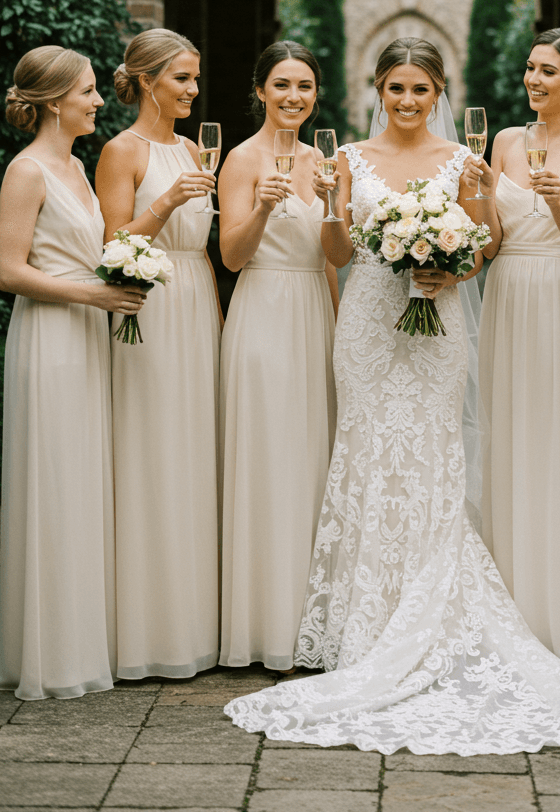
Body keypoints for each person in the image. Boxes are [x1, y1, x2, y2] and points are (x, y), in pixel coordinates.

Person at [223, 36, 560, 754]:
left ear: (439, 93)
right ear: (378, 90)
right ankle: (363, 625)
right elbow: (335, 254)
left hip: (437, 322)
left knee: (430, 455)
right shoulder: (347, 158)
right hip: (365, 323)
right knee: (364, 457)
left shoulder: (465, 161)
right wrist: (334, 208)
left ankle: (434, 617)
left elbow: (486, 246)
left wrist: (448, 262)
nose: (409, 102)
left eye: (421, 90)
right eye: (397, 89)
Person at [0, 46, 144, 699]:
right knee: (53, 483)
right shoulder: (27, 171)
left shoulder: (78, 167)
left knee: (82, 484)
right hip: (51, 338)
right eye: (87, 91)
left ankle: (80, 642)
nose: (98, 101)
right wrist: (95, 296)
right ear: (55, 101)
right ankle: (49, 656)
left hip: (87, 335)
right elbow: (9, 271)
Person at [463, 27, 560, 668]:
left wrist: (557, 204)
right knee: (506, 435)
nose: (533, 80)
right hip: (507, 294)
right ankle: (502, 600)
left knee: (555, 438)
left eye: (548, 71)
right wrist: (476, 198)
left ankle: (556, 607)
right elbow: (489, 243)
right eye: (530, 68)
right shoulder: (504, 141)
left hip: (558, 295)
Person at [95, 28, 221, 681]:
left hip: (199, 301)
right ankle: (145, 631)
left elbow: (204, 246)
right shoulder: (123, 151)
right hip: (151, 301)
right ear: (147, 81)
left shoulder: (197, 148)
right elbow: (113, 241)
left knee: (194, 453)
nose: (193, 90)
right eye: (181, 79)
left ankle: (193, 622)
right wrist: (169, 199)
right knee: (151, 450)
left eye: (195, 79)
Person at [217, 41, 338, 671]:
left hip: (313, 313)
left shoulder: (323, 161)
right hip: (263, 310)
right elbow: (232, 257)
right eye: (283, 85)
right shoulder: (240, 159)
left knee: (310, 459)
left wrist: (335, 203)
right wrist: (264, 203)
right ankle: (261, 626)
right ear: (260, 90)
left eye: (306, 87)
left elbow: (334, 257)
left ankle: (309, 622)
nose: (294, 97)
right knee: (268, 457)